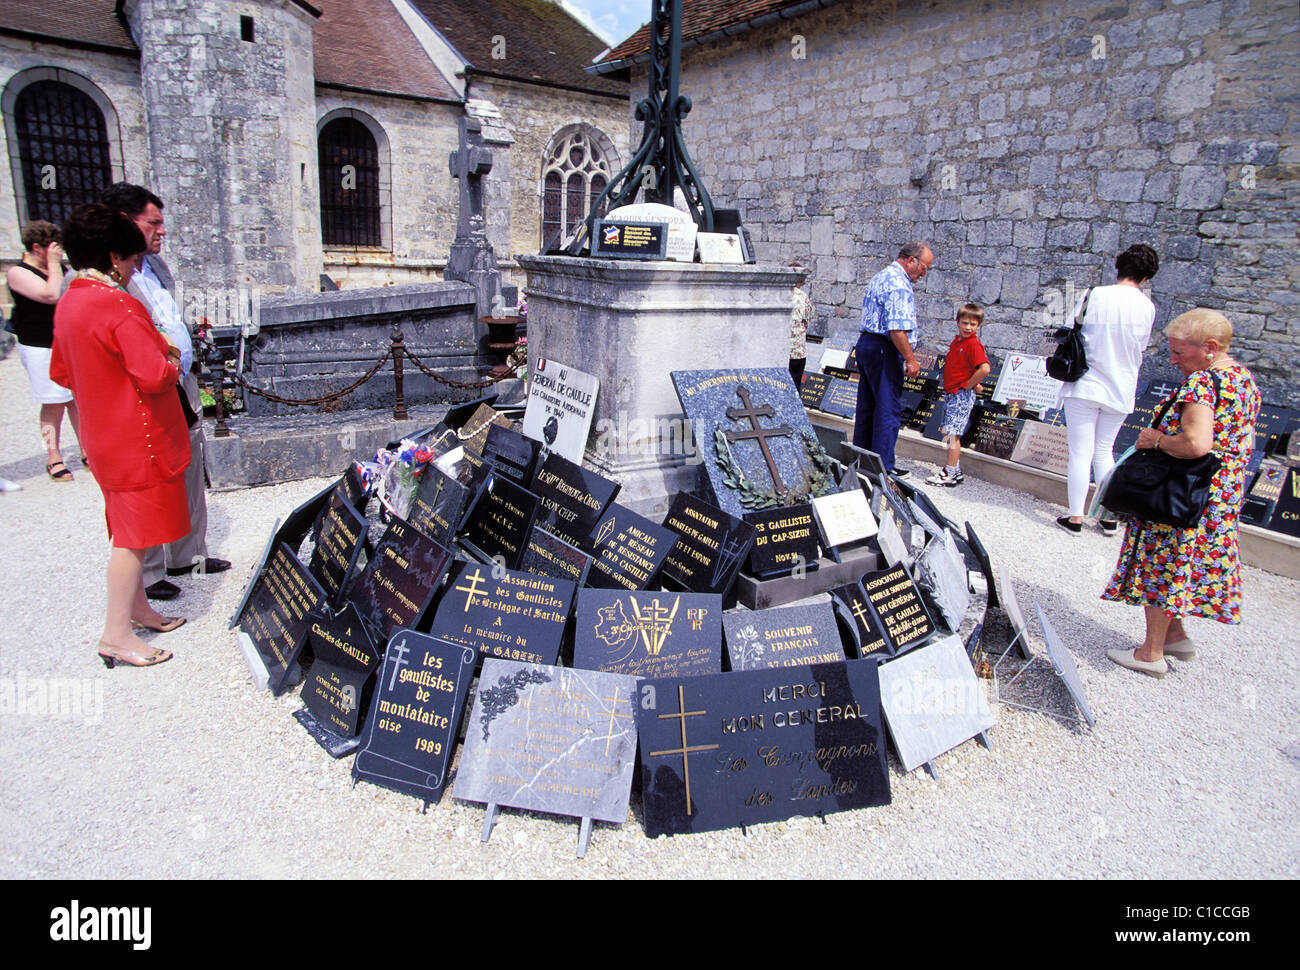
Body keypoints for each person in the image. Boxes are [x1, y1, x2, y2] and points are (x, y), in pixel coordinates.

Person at [49, 203, 191, 668]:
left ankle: (136, 608)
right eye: (131, 261)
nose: (134, 270)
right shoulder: (119, 305)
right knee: (132, 538)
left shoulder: (70, 300)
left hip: (101, 434)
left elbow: (62, 371)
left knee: (127, 526)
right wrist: (171, 359)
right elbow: (153, 374)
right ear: (115, 257)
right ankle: (115, 634)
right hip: (137, 437)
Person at [1102, 309, 1261, 678]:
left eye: (1179, 353)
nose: (1173, 361)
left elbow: (1195, 444)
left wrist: (1155, 439)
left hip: (1182, 493)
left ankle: (1151, 653)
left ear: (1209, 347)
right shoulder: (1242, 379)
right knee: (1181, 565)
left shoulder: (1202, 384)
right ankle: (1174, 635)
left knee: (1162, 564)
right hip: (1217, 496)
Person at [99, 183, 230, 601]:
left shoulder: (156, 267)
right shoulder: (109, 277)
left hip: (181, 380)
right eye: (153, 222)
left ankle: (187, 554)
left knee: (191, 467)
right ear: (126, 222)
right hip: (148, 387)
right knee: (154, 476)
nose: (162, 231)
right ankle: (151, 570)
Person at [1057, 243, 1160, 536]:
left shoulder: (1096, 294)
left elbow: (1069, 328)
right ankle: (1108, 515)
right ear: (1146, 277)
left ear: (1119, 266)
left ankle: (1075, 516)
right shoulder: (1147, 308)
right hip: (1121, 386)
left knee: (1081, 451)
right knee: (1105, 451)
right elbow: (1140, 345)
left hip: (1087, 382)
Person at [6, 221, 81, 483]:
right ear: (37, 247)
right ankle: (53, 457)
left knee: (75, 400)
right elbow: (52, 294)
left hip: (65, 343)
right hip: (38, 345)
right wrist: (53, 264)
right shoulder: (18, 272)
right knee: (52, 402)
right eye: (52, 248)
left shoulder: (59, 268)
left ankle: (87, 450)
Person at [854, 241, 934, 477]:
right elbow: (897, 330)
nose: (923, 273)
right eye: (924, 268)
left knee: (868, 407)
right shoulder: (899, 284)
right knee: (888, 409)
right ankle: (883, 468)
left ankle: (862, 460)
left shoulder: (881, 276)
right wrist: (910, 360)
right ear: (912, 261)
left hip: (867, 344)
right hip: (884, 349)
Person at [926, 303, 990, 487]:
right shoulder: (958, 342)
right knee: (947, 430)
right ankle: (956, 469)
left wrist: (968, 385)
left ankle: (950, 472)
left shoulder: (973, 344)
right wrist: (972, 382)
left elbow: (984, 368)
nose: (968, 327)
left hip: (960, 395)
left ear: (978, 326)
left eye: (973, 324)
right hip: (952, 393)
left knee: (952, 434)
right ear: (957, 322)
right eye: (965, 323)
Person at [788, 263, 812, 386]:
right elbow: (807, 319)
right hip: (797, 349)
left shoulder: (778, 293)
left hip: (779, 347)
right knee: (795, 383)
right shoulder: (802, 296)